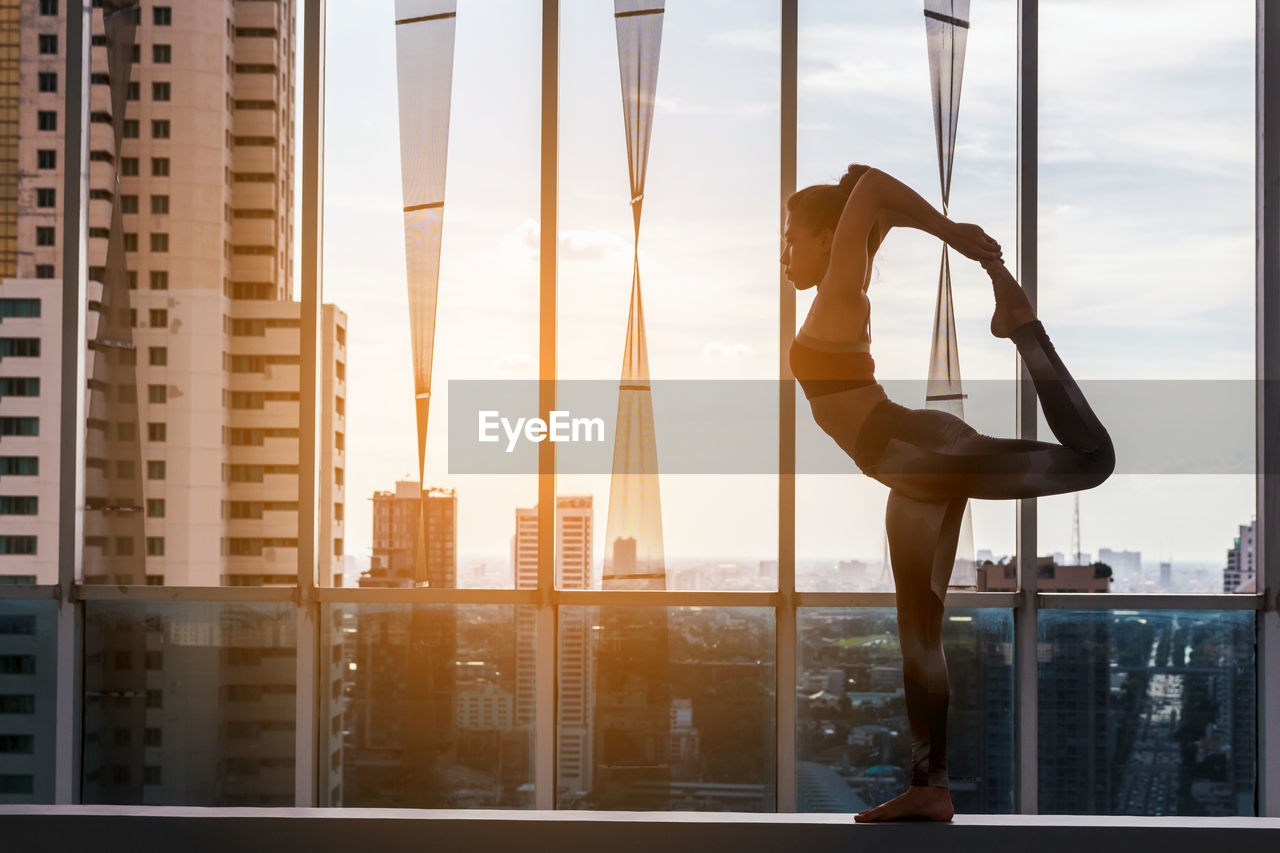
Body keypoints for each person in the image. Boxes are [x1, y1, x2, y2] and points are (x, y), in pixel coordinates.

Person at [784, 164, 1115, 822]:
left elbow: (874, 189)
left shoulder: (839, 295)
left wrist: (952, 234)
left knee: (1092, 459)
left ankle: (1022, 325)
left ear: (828, 240)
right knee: (917, 635)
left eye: (793, 236)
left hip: (920, 453)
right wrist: (904, 219)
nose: (786, 252)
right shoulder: (844, 283)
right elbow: (872, 202)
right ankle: (929, 786)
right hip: (906, 469)